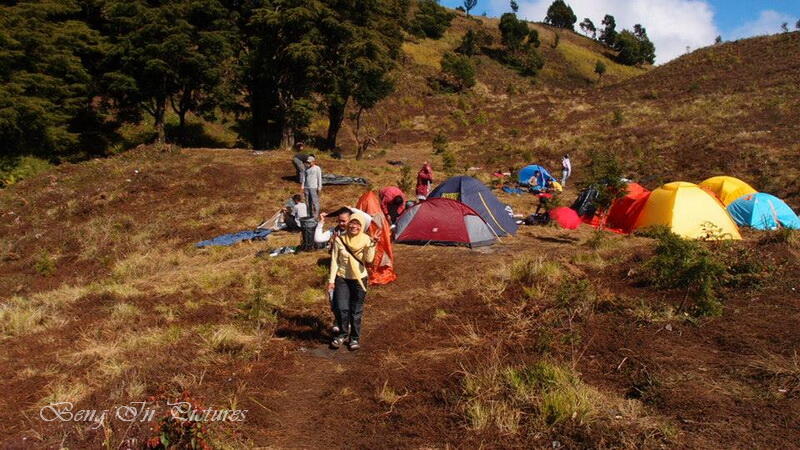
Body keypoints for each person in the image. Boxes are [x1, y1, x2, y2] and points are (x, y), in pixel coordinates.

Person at [328, 214, 376, 350]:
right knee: (341, 308)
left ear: (361, 227)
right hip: (342, 278)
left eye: (358, 224)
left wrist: (372, 244)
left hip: (359, 279)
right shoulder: (339, 240)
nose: (354, 226)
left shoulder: (367, 239)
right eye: (352, 223)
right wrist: (331, 280)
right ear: (348, 224)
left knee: (356, 311)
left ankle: (354, 338)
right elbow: (335, 261)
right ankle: (342, 334)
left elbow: (369, 260)